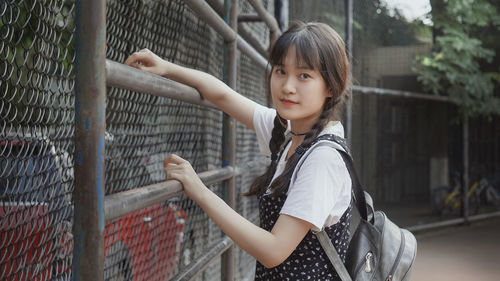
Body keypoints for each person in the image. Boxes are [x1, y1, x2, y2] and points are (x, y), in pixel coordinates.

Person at [125, 21, 352, 280]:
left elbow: (273, 250)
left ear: (331, 87)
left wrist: (199, 190)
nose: (288, 86)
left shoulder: (322, 158)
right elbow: (223, 96)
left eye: (304, 76)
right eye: (280, 71)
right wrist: (167, 67)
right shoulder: (288, 132)